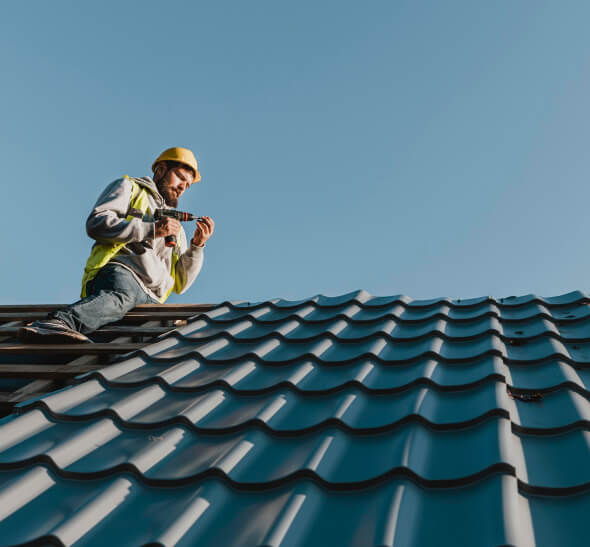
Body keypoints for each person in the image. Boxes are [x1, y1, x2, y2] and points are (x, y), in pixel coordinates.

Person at [19, 147, 214, 343]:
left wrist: (197, 246)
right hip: (124, 275)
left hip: (153, 299)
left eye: (187, 185)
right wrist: (152, 230)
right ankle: (58, 322)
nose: (182, 187)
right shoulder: (130, 188)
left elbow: (181, 284)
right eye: (180, 177)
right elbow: (97, 223)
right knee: (121, 297)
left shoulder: (177, 229)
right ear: (161, 170)